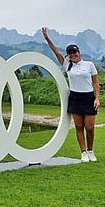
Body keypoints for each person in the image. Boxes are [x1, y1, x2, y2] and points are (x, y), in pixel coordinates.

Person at [42, 27, 100, 162]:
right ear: (68, 55)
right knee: (79, 127)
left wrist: (97, 98)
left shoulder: (89, 65)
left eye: (74, 52)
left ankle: (91, 151)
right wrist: (47, 38)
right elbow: (56, 51)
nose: (73, 55)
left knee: (90, 128)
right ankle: (83, 152)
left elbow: (96, 83)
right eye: (70, 53)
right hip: (75, 97)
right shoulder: (67, 65)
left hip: (88, 97)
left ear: (79, 52)